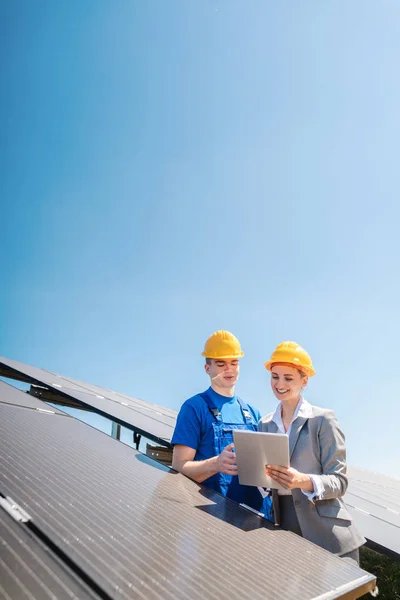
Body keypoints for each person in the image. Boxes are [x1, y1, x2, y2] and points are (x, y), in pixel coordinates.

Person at [259, 341, 365, 565]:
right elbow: (266, 482)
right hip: (285, 529)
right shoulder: (265, 424)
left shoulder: (323, 420)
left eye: (288, 378)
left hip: (329, 534)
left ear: (304, 380)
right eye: (275, 376)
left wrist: (303, 481)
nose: (280, 384)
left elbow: (339, 482)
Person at [171, 330, 265, 512]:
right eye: (221, 364)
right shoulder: (194, 408)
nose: (229, 369)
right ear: (208, 369)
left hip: (255, 517)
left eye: (234, 363)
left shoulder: (253, 413)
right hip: (212, 518)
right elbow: (179, 466)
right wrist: (216, 464)